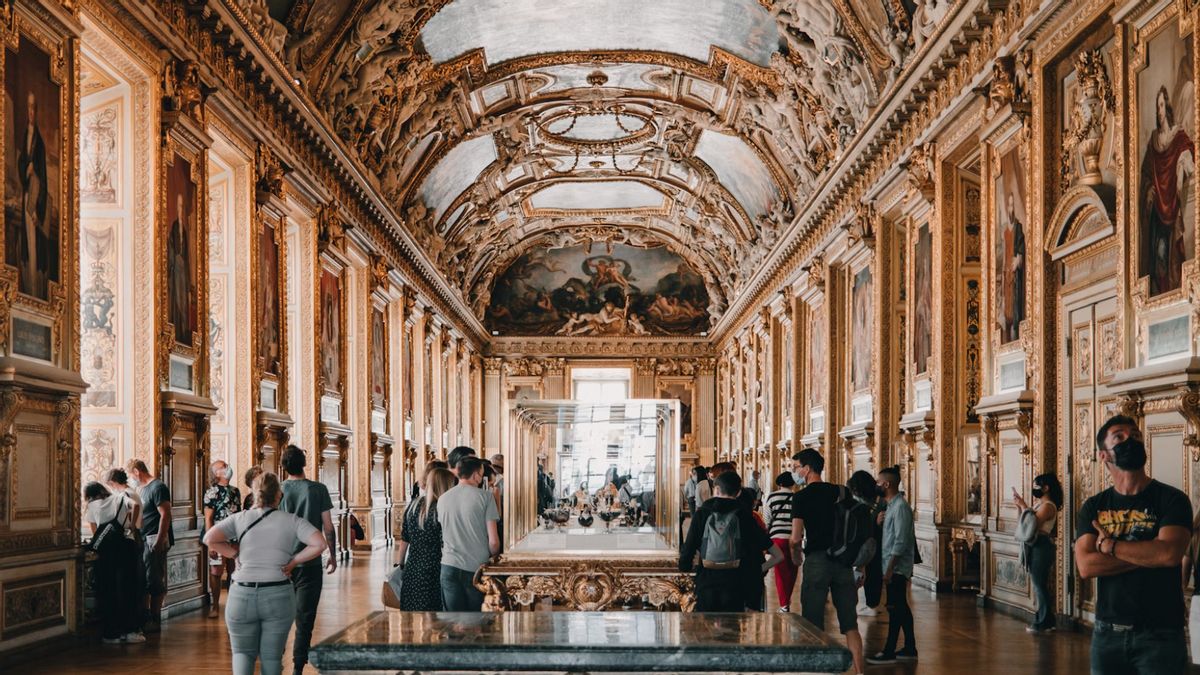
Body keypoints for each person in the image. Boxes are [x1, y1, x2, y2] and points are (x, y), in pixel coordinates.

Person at [1075, 415, 1192, 674]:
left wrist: (1112, 547)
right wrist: (1147, 552)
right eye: (1119, 436)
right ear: (1104, 455)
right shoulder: (1094, 507)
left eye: (1135, 434)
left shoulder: (1172, 500)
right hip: (1107, 634)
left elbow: (1169, 554)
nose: (1131, 439)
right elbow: (1085, 565)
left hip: (1160, 634)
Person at [204, 472, 327, 675]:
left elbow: (210, 538)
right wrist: (294, 561)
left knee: (242, 654)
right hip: (277, 593)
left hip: (241, 594)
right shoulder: (291, 520)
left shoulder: (239, 518)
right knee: (271, 657)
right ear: (278, 495)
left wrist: (234, 554)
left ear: (254, 493)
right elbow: (319, 544)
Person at [789, 449, 865, 675]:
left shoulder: (801, 497)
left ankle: (818, 671)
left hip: (817, 560)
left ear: (808, 468)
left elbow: (795, 537)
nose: (795, 472)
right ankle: (859, 671)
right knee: (850, 624)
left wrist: (796, 556)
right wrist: (861, 565)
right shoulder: (842, 491)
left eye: (796, 467)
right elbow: (856, 528)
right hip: (843, 560)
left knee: (812, 624)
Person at [680, 471, 782, 611]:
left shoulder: (702, 513)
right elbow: (778, 555)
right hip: (736, 585)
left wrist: (685, 568)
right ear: (739, 492)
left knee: (705, 628)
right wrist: (756, 570)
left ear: (716, 489)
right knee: (732, 629)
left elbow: (688, 549)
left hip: (707, 582)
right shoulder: (745, 516)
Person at [279, 445, 338, 675]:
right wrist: (331, 555)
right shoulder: (318, 489)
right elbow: (328, 527)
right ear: (304, 463)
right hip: (311, 563)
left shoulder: (279, 490)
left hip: (282, 563)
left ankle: (275, 660)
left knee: (281, 617)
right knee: (305, 618)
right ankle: (297, 667)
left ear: (284, 466)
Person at [866, 466, 917, 664]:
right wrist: (879, 524)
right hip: (890, 565)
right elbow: (890, 537)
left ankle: (889, 650)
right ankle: (910, 647)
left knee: (895, 608)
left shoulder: (901, 507)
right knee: (900, 607)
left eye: (878, 482)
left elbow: (901, 542)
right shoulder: (890, 506)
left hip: (895, 567)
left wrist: (889, 569)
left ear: (886, 484)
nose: (876, 485)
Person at [84, 481, 144, 645]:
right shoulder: (119, 498)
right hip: (126, 546)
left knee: (108, 591)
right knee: (128, 589)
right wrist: (131, 526)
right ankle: (130, 631)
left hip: (106, 553)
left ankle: (112, 634)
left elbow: (95, 532)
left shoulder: (91, 507)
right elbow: (135, 505)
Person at [387, 467, 456, 610]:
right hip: (435, 567)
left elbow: (405, 538)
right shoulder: (442, 509)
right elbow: (446, 542)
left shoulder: (413, 505)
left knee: (413, 610)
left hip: (413, 567)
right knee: (434, 611)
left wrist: (400, 564)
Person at [438, 456, 500, 610]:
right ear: (475, 475)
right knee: (476, 621)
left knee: (453, 621)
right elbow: (493, 541)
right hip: (475, 568)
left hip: (448, 564)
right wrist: (495, 556)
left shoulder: (443, 498)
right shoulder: (485, 497)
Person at [127, 459, 172, 633]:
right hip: (143, 539)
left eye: (132, 475)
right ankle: (145, 617)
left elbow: (165, 515)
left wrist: (160, 540)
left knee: (154, 579)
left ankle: (155, 618)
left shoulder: (158, 487)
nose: (132, 478)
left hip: (154, 539)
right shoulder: (140, 489)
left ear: (137, 472)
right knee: (144, 579)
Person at [1014, 473, 1062, 634]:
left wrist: (1024, 504)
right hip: (1035, 545)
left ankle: (1045, 621)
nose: (1034, 489)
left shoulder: (1048, 506)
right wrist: (1020, 507)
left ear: (1046, 487)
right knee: (1038, 584)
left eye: (1037, 486)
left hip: (1042, 545)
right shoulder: (1038, 505)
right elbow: (1024, 523)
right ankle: (1044, 619)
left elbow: (1033, 523)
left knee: (1039, 584)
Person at [204, 460, 242, 618]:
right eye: (223, 467)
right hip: (218, 537)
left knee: (235, 570)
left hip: (234, 537)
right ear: (216, 473)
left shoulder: (235, 491)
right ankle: (215, 606)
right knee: (216, 571)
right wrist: (210, 544)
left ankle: (233, 605)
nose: (227, 468)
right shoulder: (211, 492)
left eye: (227, 465)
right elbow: (208, 518)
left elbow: (239, 515)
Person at [846, 470, 882, 617]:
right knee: (866, 575)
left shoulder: (871, 505)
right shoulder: (871, 503)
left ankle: (872, 604)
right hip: (870, 545)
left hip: (872, 545)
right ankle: (871, 603)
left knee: (870, 575)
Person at [765, 471, 799, 611]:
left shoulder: (772, 497)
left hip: (777, 539)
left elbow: (768, 517)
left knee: (780, 573)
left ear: (779, 483)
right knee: (793, 571)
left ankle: (784, 604)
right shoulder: (797, 497)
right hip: (794, 538)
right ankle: (786, 601)